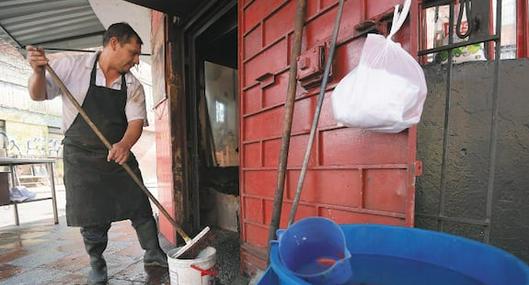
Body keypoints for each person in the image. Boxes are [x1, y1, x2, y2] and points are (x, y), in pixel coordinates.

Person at [26, 22, 167, 285]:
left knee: (140, 204)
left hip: (117, 154)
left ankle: (154, 253)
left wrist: (124, 145)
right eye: (133, 53)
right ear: (113, 43)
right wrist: (37, 71)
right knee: (92, 218)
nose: (137, 61)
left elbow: (135, 123)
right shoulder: (70, 65)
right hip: (81, 157)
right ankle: (97, 264)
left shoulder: (132, 85)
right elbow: (38, 94)